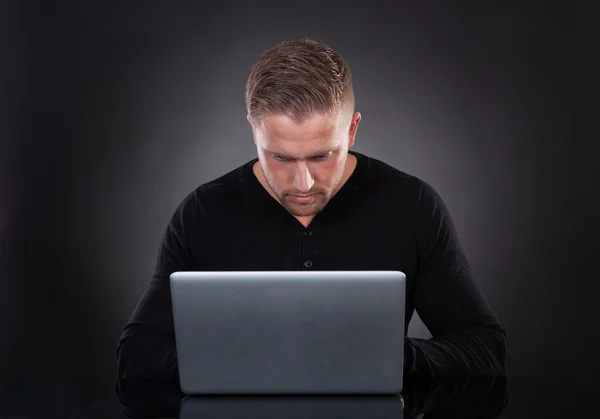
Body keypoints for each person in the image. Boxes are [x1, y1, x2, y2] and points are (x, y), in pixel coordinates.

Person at [116, 39, 506, 387]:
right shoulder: (202, 213)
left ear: (351, 131)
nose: (302, 183)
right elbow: (136, 356)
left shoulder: (413, 205)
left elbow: (484, 350)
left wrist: (393, 360)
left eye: (322, 156)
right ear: (255, 132)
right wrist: (240, 362)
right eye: (280, 157)